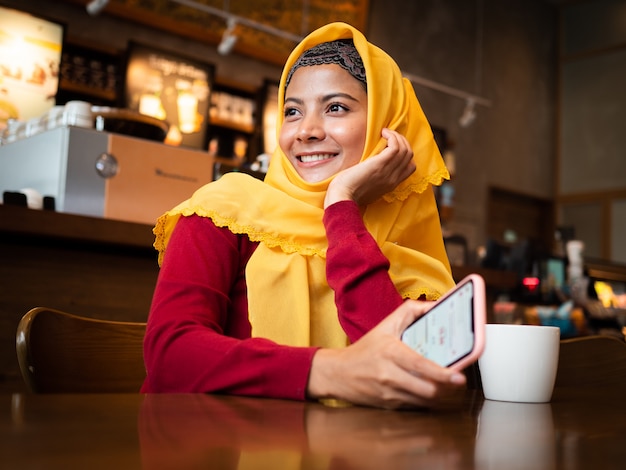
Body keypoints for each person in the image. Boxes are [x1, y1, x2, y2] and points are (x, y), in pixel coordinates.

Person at [142, 22, 466, 409]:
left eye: (335, 108)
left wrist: (342, 208)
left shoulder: (406, 241)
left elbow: (415, 373)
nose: (306, 131)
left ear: (389, 125)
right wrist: (330, 372)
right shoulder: (223, 211)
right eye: (292, 111)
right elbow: (170, 354)